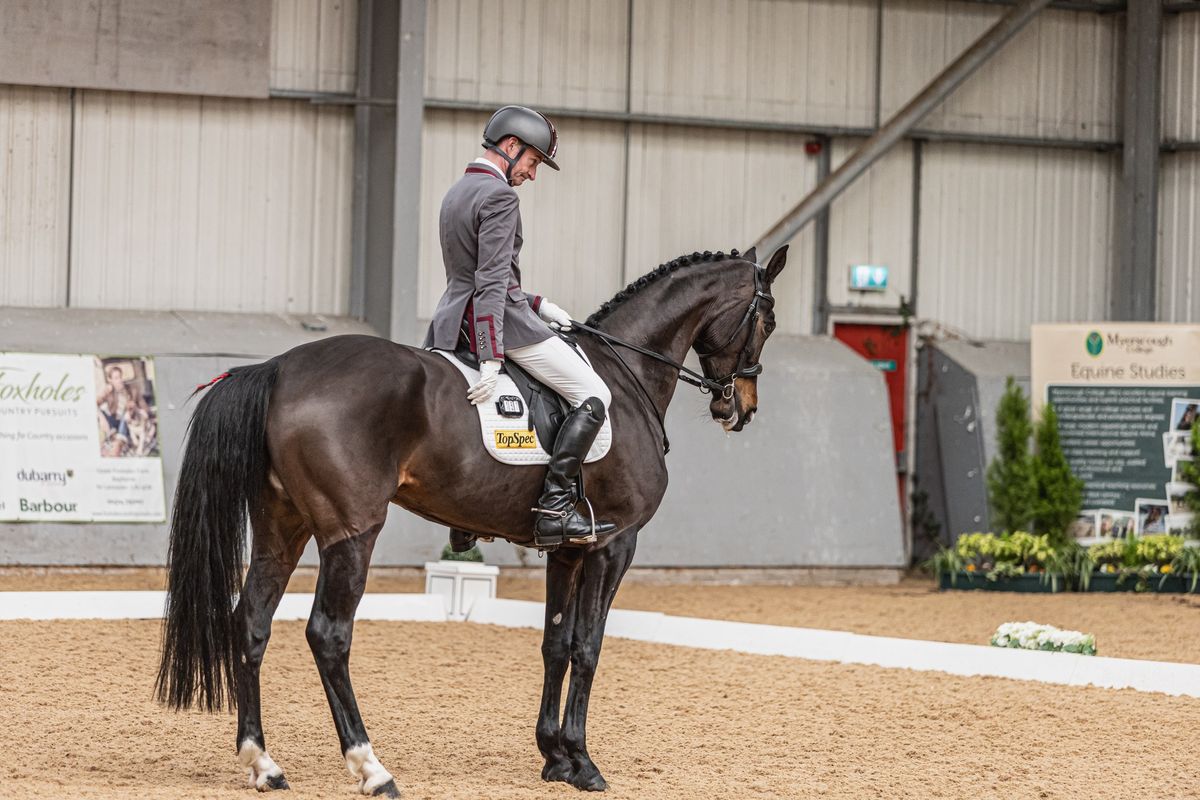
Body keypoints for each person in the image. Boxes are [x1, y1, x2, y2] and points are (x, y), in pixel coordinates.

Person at [424, 105, 615, 549]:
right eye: (532, 162)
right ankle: (554, 508)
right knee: (595, 394)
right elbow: (490, 284)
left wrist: (540, 304)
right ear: (511, 146)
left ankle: (467, 516)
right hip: (498, 325)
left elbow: (474, 278)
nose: (532, 174)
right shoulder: (500, 197)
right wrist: (492, 355)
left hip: (454, 321)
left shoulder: (458, 191)